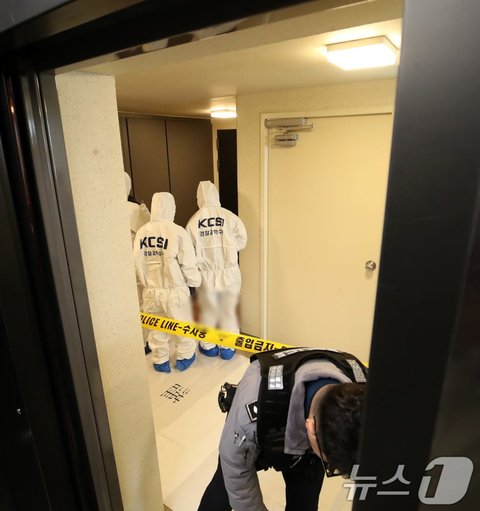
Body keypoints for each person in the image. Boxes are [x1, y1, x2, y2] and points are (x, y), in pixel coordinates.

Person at [197, 347, 368, 511]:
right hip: (264, 428)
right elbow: (238, 482)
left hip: (306, 452)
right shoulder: (250, 414)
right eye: (328, 464)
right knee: (221, 495)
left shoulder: (367, 391)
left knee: (305, 505)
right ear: (311, 428)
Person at [134, 192, 201, 372]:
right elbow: (188, 263)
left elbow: (137, 262)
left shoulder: (141, 232)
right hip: (175, 290)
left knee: (156, 328)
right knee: (183, 326)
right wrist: (194, 282)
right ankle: (184, 358)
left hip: (151, 291)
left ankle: (160, 360)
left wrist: (145, 282)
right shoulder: (177, 231)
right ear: (171, 208)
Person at [186, 181, 247, 360]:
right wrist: (228, 250)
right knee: (229, 308)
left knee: (208, 309)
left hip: (205, 273)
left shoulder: (193, 221)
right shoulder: (229, 217)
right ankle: (228, 348)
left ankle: (209, 346)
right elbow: (242, 240)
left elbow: (189, 250)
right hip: (229, 272)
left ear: (199, 198)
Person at [124, 173, 151, 353]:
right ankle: (143, 342)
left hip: (115, 267)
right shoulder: (135, 210)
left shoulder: (102, 208)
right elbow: (151, 231)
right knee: (141, 303)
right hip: (136, 266)